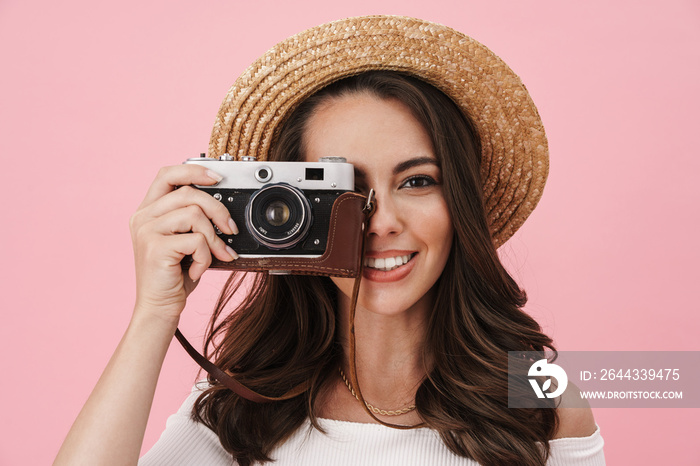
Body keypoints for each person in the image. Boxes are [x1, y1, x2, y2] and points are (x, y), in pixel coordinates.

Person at [54, 16, 605, 466]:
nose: (380, 220)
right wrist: (154, 311)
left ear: (459, 201)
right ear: (287, 211)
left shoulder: (540, 397)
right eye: (348, 188)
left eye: (417, 181)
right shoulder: (241, 411)